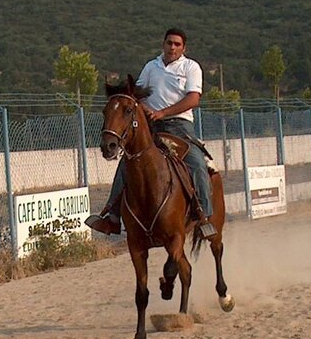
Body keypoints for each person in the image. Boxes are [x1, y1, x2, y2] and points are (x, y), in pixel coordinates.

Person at [87, 28, 217, 238]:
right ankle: (111, 216)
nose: (172, 47)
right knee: (126, 163)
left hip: (180, 126)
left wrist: (163, 112)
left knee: (197, 164)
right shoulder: (151, 66)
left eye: (177, 44)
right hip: (151, 127)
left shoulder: (190, 67)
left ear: (184, 48)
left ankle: (204, 217)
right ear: (163, 44)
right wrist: (145, 110)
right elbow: (136, 94)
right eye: (169, 43)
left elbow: (193, 99)